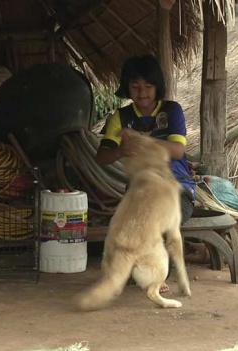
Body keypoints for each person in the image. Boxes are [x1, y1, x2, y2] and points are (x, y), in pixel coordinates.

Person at [95, 55, 195, 293]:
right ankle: (134, 271)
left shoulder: (171, 111)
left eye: (148, 87)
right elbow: (101, 158)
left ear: (157, 87)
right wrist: (120, 150)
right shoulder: (121, 118)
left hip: (176, 188)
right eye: (135, 87)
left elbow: (177, 150)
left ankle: (159, 276)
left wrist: (139, 141)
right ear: (127, 88)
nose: (142, 93)